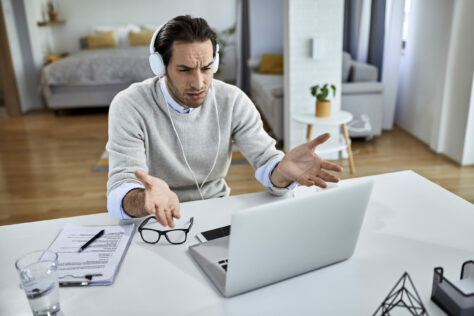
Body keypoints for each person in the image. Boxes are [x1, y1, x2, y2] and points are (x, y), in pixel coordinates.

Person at [107, 15, 342, 228]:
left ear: (215, 63)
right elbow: (121, 187)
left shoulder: (232, 100)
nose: (198, 83)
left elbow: (266, 161)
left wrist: (282, 172)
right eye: (185, 70)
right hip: (153, 220)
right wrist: (145, 200)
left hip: (216, 213)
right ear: (160, 67)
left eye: (207, 68)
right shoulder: (130, 105)